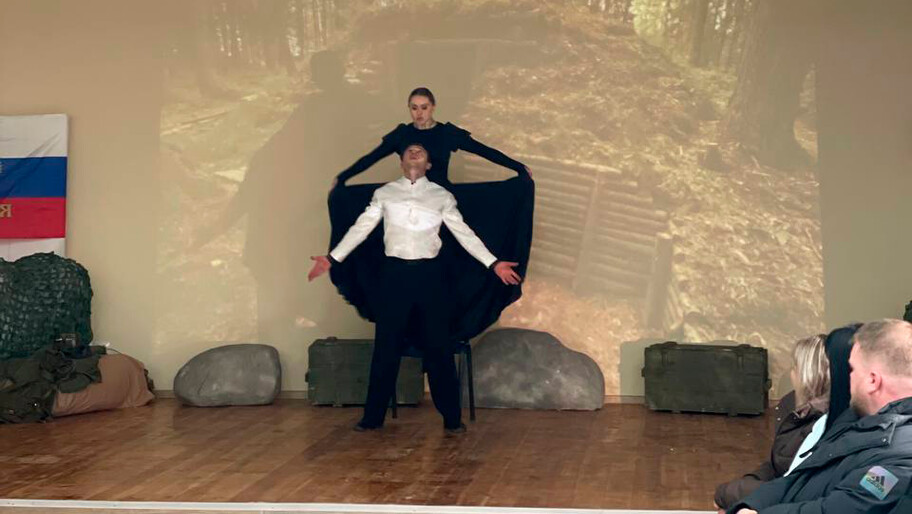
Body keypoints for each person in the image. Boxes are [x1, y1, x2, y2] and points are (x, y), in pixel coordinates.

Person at [309, 144, 521, 434]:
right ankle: (372, 418)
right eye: (410, 150)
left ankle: (451, 419)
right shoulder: (385, 193)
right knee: (386, 347)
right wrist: (333, 258)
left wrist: (493, 263)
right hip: (394, 276)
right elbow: (361, 227)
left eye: (420, 150)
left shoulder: (441, 195)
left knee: (439, 348)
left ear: (429, 165)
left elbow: (464, 234)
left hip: (430, 277)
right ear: (401, 162)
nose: (414, 152)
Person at [326, 87, 535, 344]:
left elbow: (482, 150)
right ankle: (408, 330)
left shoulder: (447, 134)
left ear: (433, 107)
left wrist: (517, 167)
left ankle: (446, 328)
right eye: (414, 107)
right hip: (411, 205)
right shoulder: (402, 135)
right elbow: (371, 158)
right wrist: (343, 178)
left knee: (450, 265)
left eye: (424, 107)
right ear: (409, 109)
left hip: (440, 206)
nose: (419, 113)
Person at [728, 319, 912, 514]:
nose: (847, 377)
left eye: (852, 369)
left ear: (872, 381)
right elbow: (799, 477)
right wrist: (751, 505)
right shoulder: (855, 420)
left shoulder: (901, 461)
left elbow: (843, 508)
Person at [714, 334, 829, 511]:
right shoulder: (790, 406)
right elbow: (777, 464)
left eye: (795, 367)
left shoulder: (828, 423)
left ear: (808, 374)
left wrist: (729, 493)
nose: (791, 373)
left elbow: (796, 488)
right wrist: (746, 484)